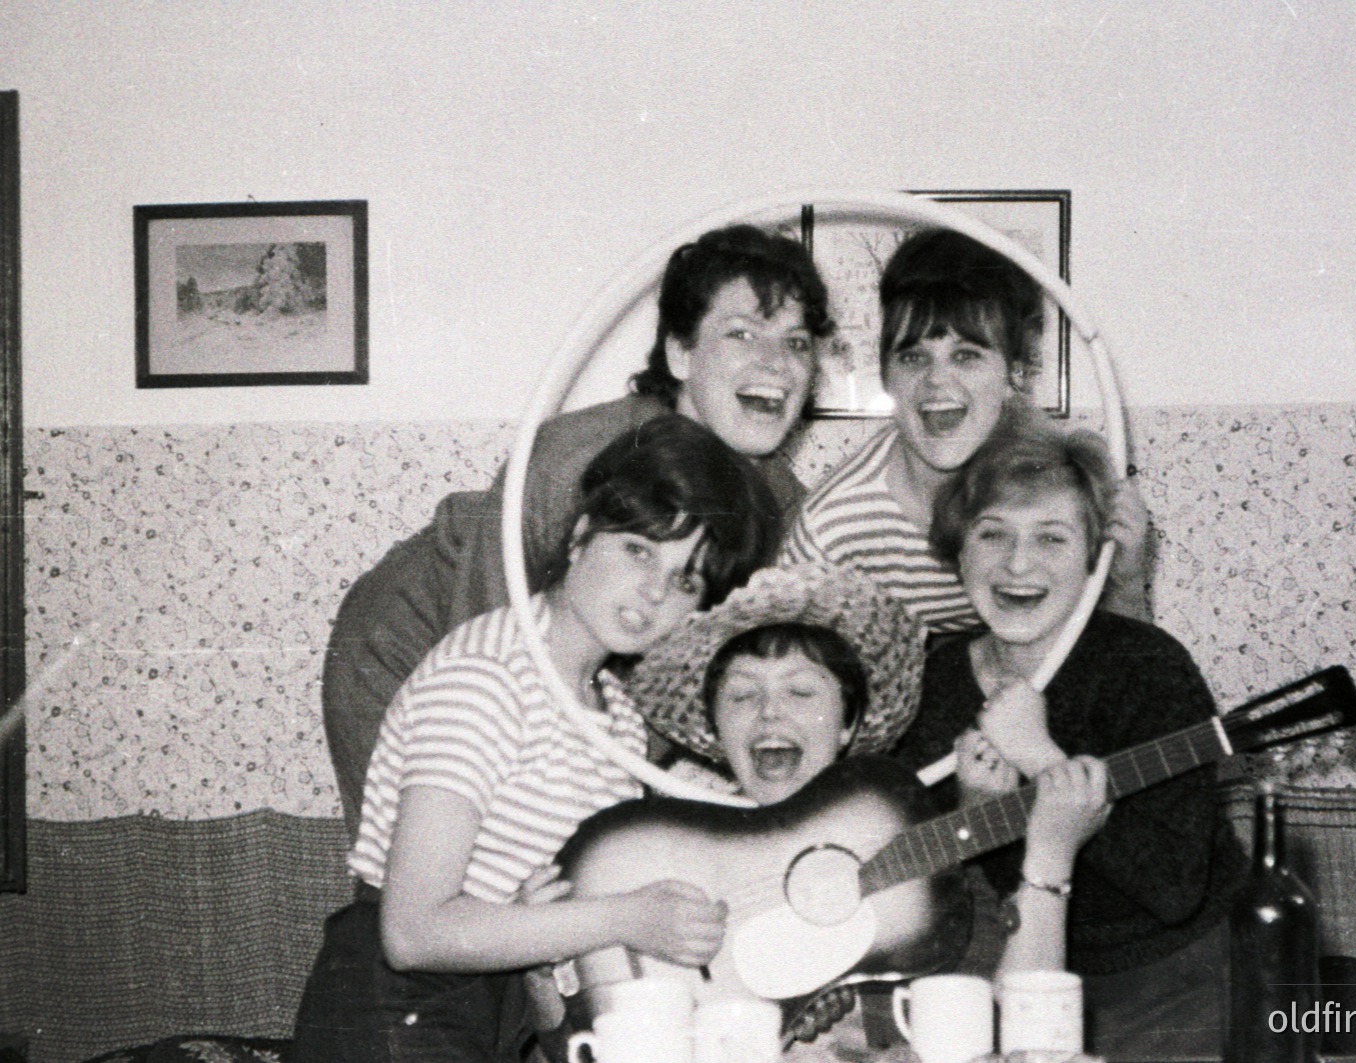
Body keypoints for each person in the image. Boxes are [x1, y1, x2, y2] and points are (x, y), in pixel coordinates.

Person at [287, 416, 783, 1063]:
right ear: (580, 534)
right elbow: (412, 930)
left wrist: (533, 926)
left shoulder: (613, 716)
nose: (654, 590)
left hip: (482, 1017)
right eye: (638, 548)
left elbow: (517, 927)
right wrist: (628, 916)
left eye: (685, 578)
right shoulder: (487, 675)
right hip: (386, 1012)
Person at [323, 224, 834, 835]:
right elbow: (483, 650)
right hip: (415, 647)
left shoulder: (779, 499)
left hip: (575, 681)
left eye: (797, 343)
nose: (776, 363)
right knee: (457, 860)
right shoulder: (576, 461)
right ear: (679, 352)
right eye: (743, 333)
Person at [623, 564, 1112, 1059]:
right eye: (743, 694)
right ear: (716, 733)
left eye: (801, 691)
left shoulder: (916, 844)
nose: (769, 711)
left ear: (846, 723)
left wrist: (1050, 858)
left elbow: (1028, 1033)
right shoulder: (668, 847)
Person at [887, 407, 1246, 1060]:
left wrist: (1040, 756)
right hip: (1006, 974)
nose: (1017, 564)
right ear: (956, 548)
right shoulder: (929, 680)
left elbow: (1174, 888)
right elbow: (935, 895)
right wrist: (974, 811)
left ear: (1093, 558)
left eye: (1051, 538)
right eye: (992, 534)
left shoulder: (1148, 667)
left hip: (1166, 986)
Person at [782, 227, 1151, 636]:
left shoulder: (1056, 486)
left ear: (1013, 371)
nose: (937, 381)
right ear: (886, 376)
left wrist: (1126, 580)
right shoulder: (832, 528)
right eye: (913, 357)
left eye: (966, 355)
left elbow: (1126, 669)